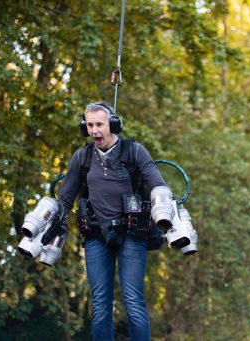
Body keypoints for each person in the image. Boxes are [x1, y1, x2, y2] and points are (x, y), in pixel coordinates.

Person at [57, 102, 167, 340]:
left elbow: (158, 185)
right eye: (90, 125)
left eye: (99, 124)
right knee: (100, 306)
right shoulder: (82, 157)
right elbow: (64, 199)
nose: (94, 130)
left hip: (131, 235)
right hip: (96, 235)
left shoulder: (134, 152)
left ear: (113, 125)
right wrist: (48, 224)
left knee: (133, 301)